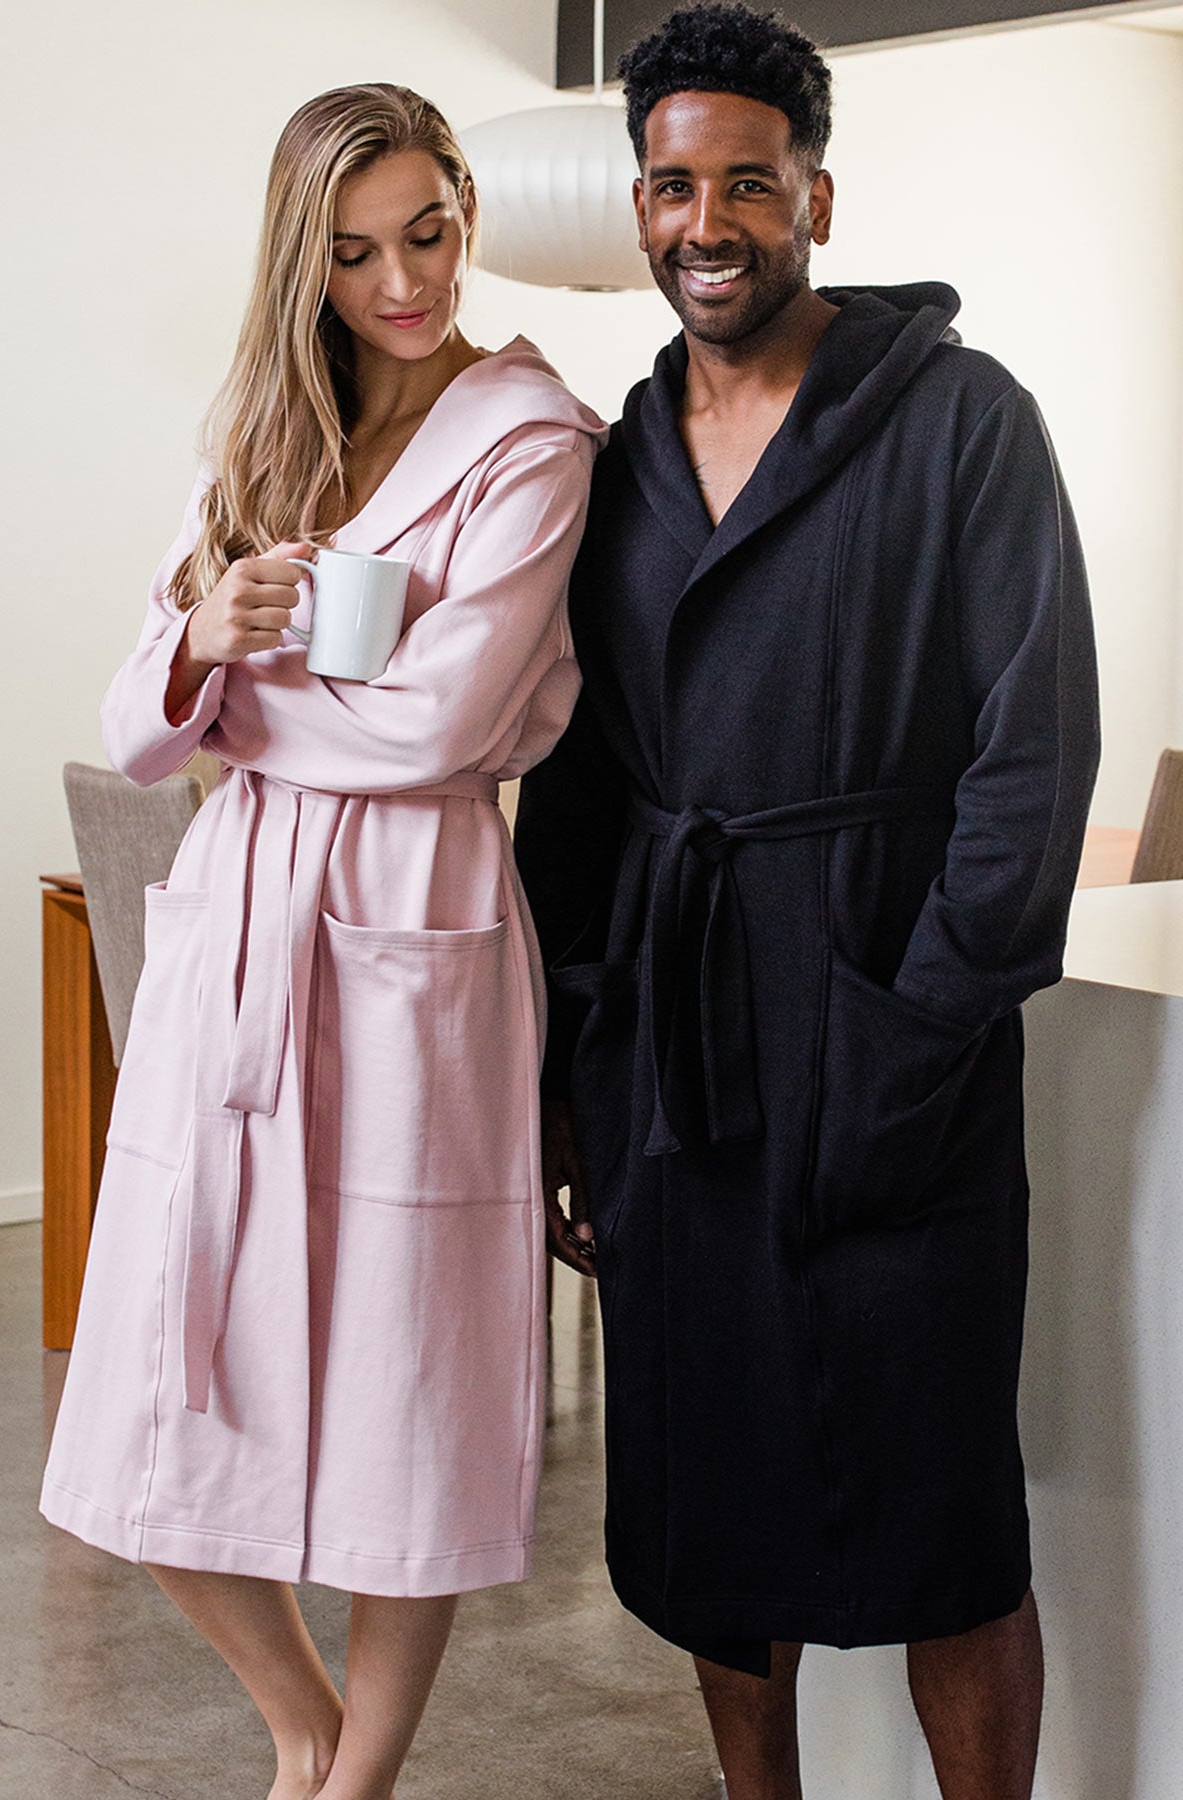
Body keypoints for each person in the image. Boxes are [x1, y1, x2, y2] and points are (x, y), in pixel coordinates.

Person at [514, 8, 1099, 1798]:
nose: (710, 222)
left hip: (881, 1039)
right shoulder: (610, 470)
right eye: (675, 185)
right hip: (678, 1069)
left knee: (948, 1528)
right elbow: (583, 791)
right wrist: (571, 1079)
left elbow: (1032, 757)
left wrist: (922, 1023)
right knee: (710, 1514)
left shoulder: (962, 425)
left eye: (748, 185)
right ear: (637, 207)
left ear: (817, 199)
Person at [41, 82, 605, 1800]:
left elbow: (438, 730)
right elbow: (141, 726)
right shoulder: (259, 447)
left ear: (466, 218)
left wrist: (236, 702)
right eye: (357, 254)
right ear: (307, 263)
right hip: (238, 944)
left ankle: (350, 1782)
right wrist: (207, 636)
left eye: (427, 234)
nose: (403, 282)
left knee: (402, 1385)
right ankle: (300, 1723)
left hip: (416, 921)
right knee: (158, 1366)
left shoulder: (533, 439)